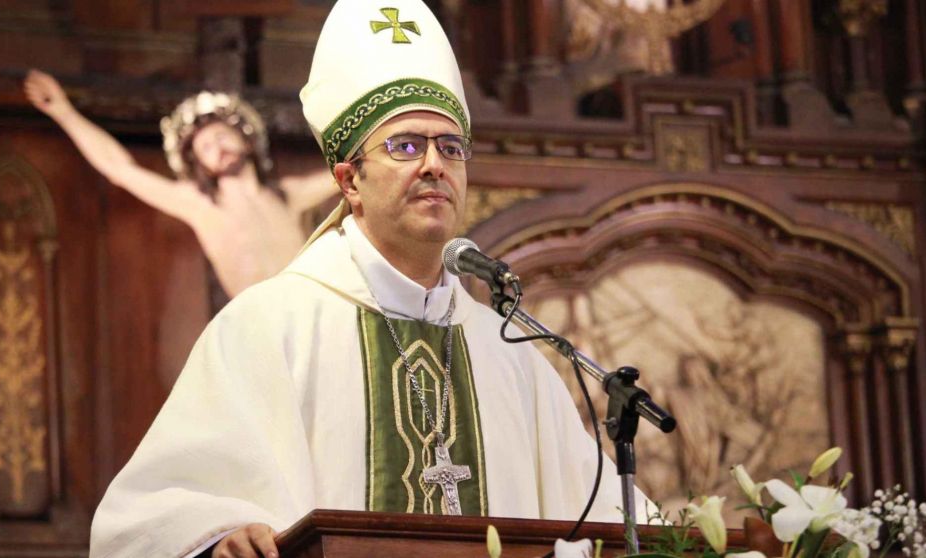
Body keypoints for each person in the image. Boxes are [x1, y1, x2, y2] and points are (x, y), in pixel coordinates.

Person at [88, 1, 653, 557]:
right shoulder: (268, 328)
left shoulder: (511, 355)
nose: (434, 164)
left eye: (450, 147)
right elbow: (150, 518)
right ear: (349, 180)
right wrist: (219, 536)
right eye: (405, 145)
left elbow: (615, 520)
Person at [24, 71, 338, 298]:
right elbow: (119, 169)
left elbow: (346, 173)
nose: (218, 148)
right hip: (259, 322)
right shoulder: (200, 205)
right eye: (205, 148)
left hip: (311, 309)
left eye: (221, 136)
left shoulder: (287, 194)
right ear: (200, 165)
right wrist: (64, 112)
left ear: (244, 138)